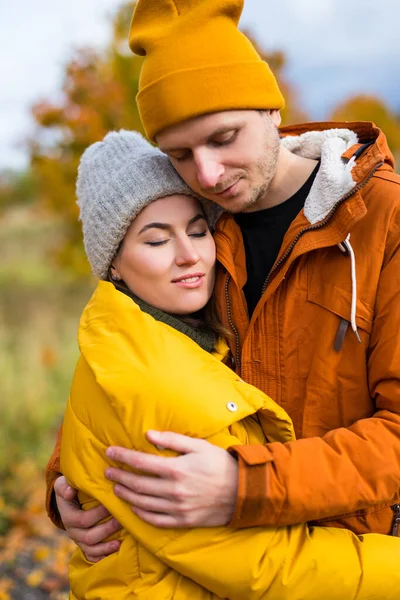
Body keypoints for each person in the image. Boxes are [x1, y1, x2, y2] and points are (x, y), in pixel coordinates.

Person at [47, 0, 400, 561]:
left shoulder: (382, 220)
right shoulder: (197, 223)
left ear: (270, 110)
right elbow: (131, 354)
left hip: (349, 560)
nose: (208, 174)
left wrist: (246, 484)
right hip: (217, 568)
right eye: (180, 154)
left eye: (223, 137)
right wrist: (67, 485)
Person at [60, 128, 400, 599]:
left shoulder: (166, 334)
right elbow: (263, 564)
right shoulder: (156, 373)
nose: (190, 256)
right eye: (157, 242)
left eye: (198, 231)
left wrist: (70, 480)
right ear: (112, 264)